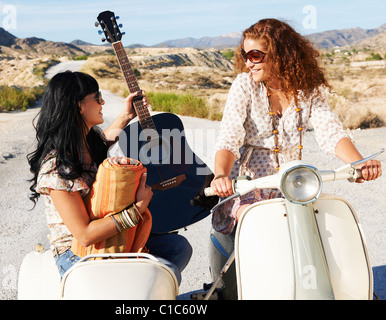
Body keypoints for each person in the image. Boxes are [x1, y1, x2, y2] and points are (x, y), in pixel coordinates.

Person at [210, 19, 382, 234]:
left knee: (324, 229)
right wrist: (220, 176)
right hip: (248, 187)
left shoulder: (307, 90)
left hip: (292, 184)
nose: (248, 63)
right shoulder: (244, 85)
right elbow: (229, 137)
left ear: (280, 54)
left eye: (254, 56)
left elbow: (330, 131)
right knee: (257, 223)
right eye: (245, 56)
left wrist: (359, 164)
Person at [27, 71, 192, 282]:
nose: (102, 101)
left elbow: (105, 139)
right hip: (76, 253)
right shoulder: (57, 169)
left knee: (177, 248)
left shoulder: (86, 144)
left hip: (109, 236)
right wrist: (137, 209)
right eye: (97, 97)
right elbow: (85, 235)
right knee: (157, 275)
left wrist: (126, 115)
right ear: (79, 105)